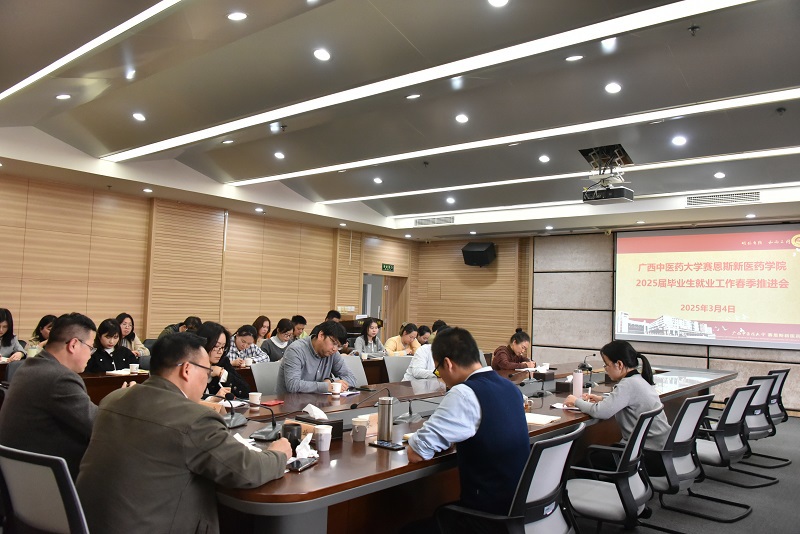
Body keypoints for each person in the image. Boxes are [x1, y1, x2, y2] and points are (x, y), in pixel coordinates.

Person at [76, 333, 291, 534]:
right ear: (187, 369)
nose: (207, 379)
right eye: (207, 371)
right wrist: (278, 454)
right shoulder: (194, 418)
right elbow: (246, 470)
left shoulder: (112, 399)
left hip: (89, 524)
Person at [407, 327, 529, 517]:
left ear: (447, 364)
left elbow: (416, 453)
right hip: (518, 507)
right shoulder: (511, 387)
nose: (441, 378)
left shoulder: (463, 393)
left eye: (438, 370)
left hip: (486, 514)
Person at [0, 313, 132, 479]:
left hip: (20, 474)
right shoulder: (60, 378)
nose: (91, 354)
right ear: (73, 345)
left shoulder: (29, 366)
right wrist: (121, 399)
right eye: (90, 347)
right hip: (46, 476)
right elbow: (100, 426)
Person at [565, 340, 671, 450]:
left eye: (606, 365)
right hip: (658, 445)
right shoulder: (638, 379)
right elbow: (626, 400)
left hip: (646, 450)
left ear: (619, 364)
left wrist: (576, 401)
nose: (605, 369)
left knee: (589, 455)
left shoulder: (628, 384)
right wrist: (601, 398)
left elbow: (600, 411)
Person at [277, 321, 356, 394]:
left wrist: (331, 381)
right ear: (321, 335)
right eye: (334, 343)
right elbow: (293, 385)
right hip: (290, 402)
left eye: (339, 346)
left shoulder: (333, 353)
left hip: (319, 401)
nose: (335, 349)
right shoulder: (296, 350)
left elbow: (351, 378)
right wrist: (326, 386)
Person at [196, 322, 250, 399]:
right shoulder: (192, 364)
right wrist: (212, 399)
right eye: (216, 346)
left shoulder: (223, 361)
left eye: (223, 347)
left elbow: (246, 391)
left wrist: (223, 374)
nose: (220, 352)